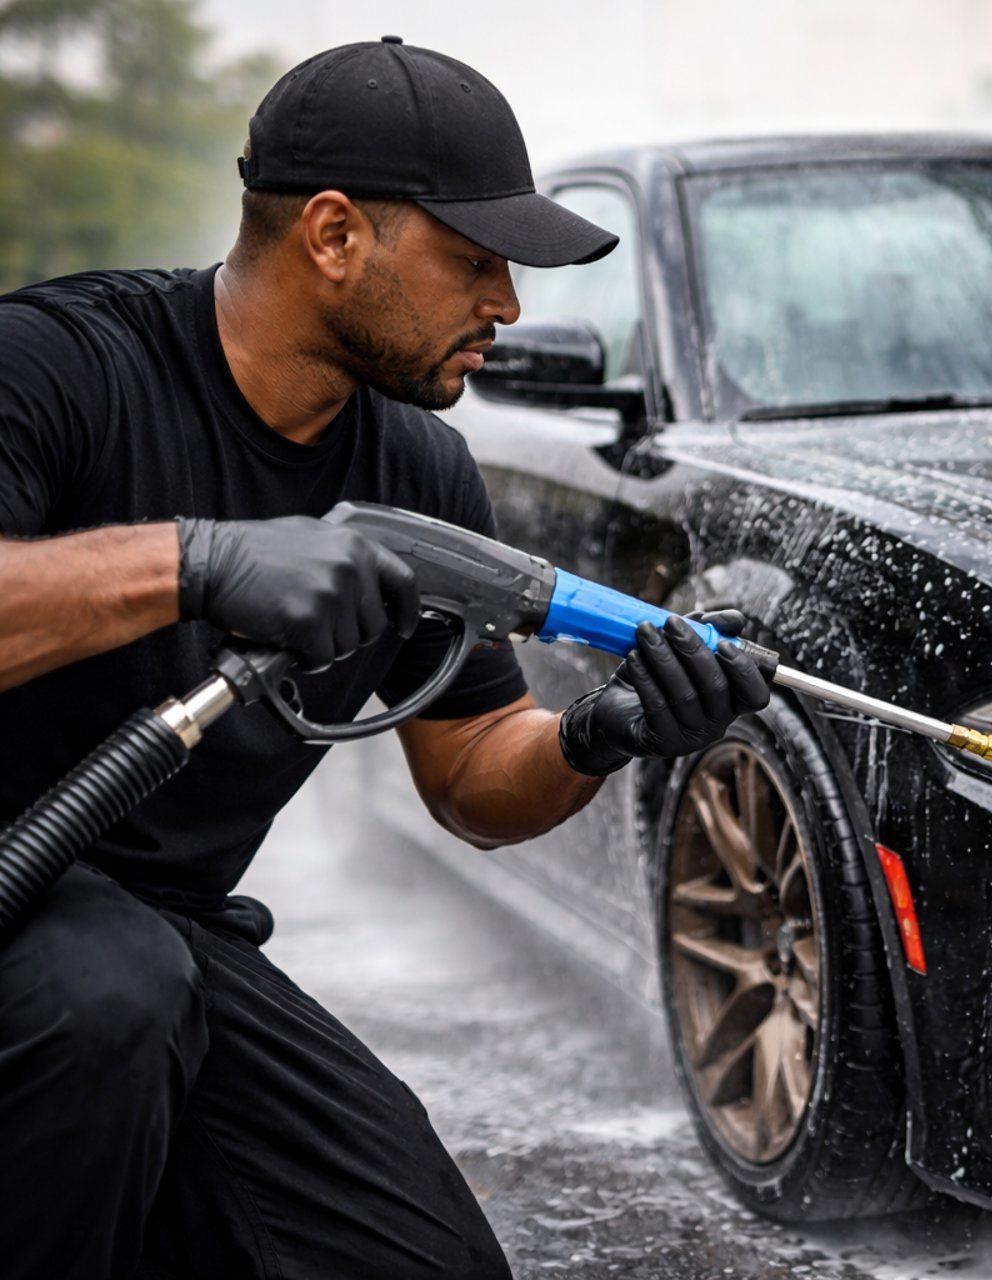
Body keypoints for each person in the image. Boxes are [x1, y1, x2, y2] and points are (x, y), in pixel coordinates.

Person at [0, 37, 768, 1280]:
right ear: (334, 234)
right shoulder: (58, 366)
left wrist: (600, 732)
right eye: (475, 259)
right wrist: (197, 559)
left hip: (164, 939)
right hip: (48, 924)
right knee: (106, 996)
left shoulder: (416, 469)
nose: (507, 304)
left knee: (422, 1257)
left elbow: (470, 772)